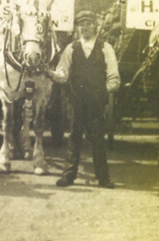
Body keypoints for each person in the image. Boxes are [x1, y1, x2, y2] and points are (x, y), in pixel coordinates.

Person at [46, 10, 120, 189]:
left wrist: (102, 91)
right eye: (81, 25)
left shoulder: (106, 48)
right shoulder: (71, 48)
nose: (85, 28)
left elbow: (114, 79)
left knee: (98, 140)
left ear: (96, 25)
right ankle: (68, 177)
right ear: (77, 27)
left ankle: (103, 178)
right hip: (76, 101)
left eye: (88, 24)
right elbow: (63, 74)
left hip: (96, 102)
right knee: (74, 138)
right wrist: (49, 73)